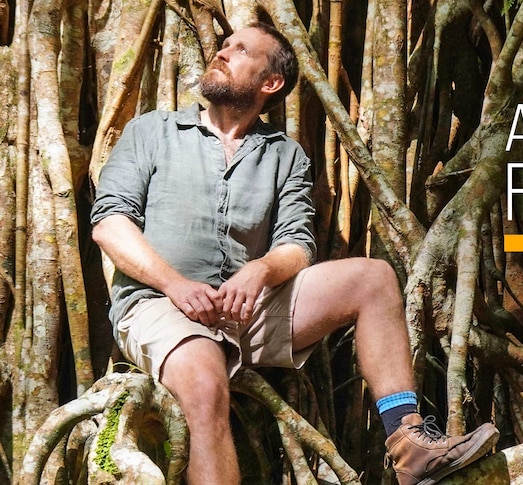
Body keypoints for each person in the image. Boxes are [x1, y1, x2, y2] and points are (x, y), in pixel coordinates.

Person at [90, 22, 498, 485]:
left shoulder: (285, 155)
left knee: (373, 277)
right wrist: (175, 285)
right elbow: (109, 224)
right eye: (223, 46)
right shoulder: (153, 132)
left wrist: (260, 271)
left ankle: (407, 444)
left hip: (247, 310)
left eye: (240, 50)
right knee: (204, 384)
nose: (222, 53)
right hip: (160, 307)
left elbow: (297, 245)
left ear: (271, 83)